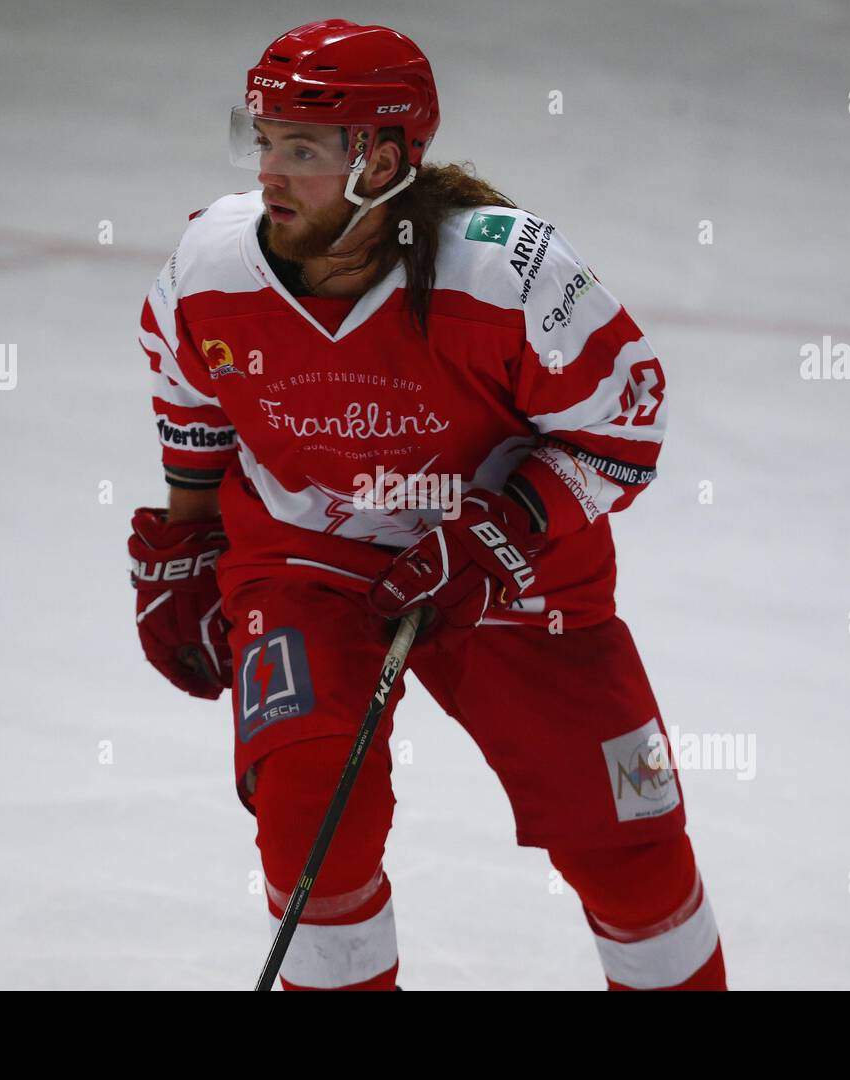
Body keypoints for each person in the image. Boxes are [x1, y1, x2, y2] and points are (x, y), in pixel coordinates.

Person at [129, 18, 728, 991]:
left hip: (513, 567)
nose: (272, 172)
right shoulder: (209, 266)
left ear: (384, 159)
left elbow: (625, 430)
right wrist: (186, 542)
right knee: (307, 824)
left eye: (304, 150)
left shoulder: (504, 273)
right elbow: (192, 400)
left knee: (629, 845)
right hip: (307, 555)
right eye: (266, 141)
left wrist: (504, 525)